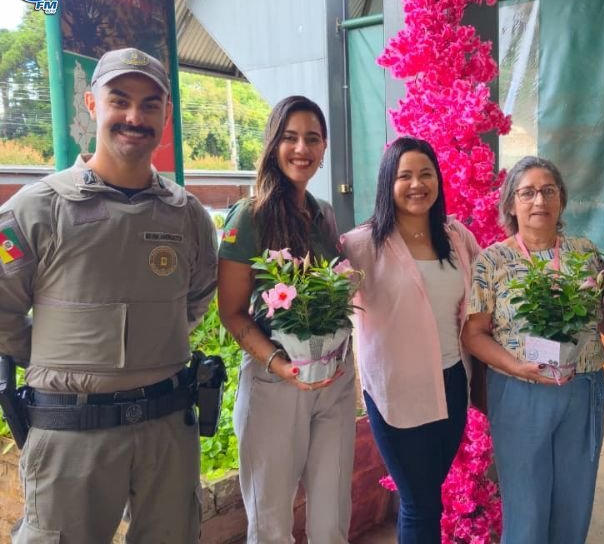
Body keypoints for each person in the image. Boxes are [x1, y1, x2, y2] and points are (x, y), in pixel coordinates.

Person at [0, 47, 218, 542]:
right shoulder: (36, 209)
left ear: (165, 114)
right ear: (91, 104)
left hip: (167, 428)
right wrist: (58, 354)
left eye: (150, 104)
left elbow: (197, 297)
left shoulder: (188, 216)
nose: (134, 117)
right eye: (120, 100)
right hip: (71, 430)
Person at [217, 95, 355, 544]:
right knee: (271, 525)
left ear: (324, 147)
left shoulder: (323, 214)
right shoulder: (250, 216)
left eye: (312, 139)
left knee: (332, 520)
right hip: (275, 383)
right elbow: (231, 312)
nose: (301, 149)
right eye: (290, 137)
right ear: (273, 143)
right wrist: (279, 363)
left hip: (333, 380)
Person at [461, 156, 604, 544]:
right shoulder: (492, 260)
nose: (539, 200)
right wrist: (516, 366)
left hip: (582, 387)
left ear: (561, 199)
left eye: (548, 191)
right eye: (527, 193)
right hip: (519, 390)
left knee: (575, 501)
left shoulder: (585, 253)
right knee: (526, 505)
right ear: (511, 204)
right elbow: (474, 334)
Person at [341, 138, 481, 544]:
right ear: (388, 183)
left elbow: (488, 290)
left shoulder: (456, 237)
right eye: (405, 176)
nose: (417, 184)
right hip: (396, 393)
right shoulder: (361, 245)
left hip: (451, 383)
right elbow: (327, 304)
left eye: (425, 174)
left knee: (422, 497)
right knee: (422, 503)